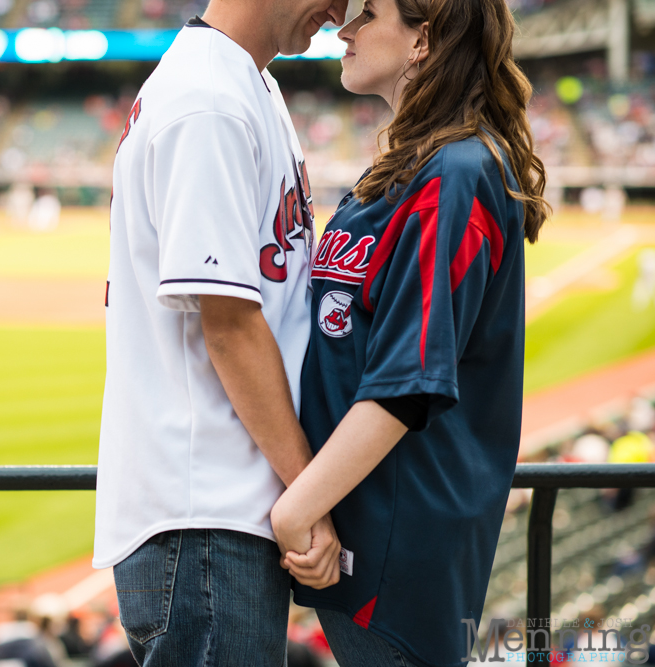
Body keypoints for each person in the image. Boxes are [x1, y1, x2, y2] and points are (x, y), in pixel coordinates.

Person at [268, 0, 550, 663]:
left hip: (398, 542)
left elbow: (406, 383)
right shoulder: (411, 165)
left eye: (366, 13)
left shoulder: (455, 173)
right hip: (360, 522)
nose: (344, 28)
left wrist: (294, 509)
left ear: (423, 37)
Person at [92, 0, 348, 663]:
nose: (343, 8)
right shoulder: (207, 99)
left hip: (221, 514)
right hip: (204, 515)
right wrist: (308, 492)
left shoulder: (246, 79)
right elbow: (230, 324)